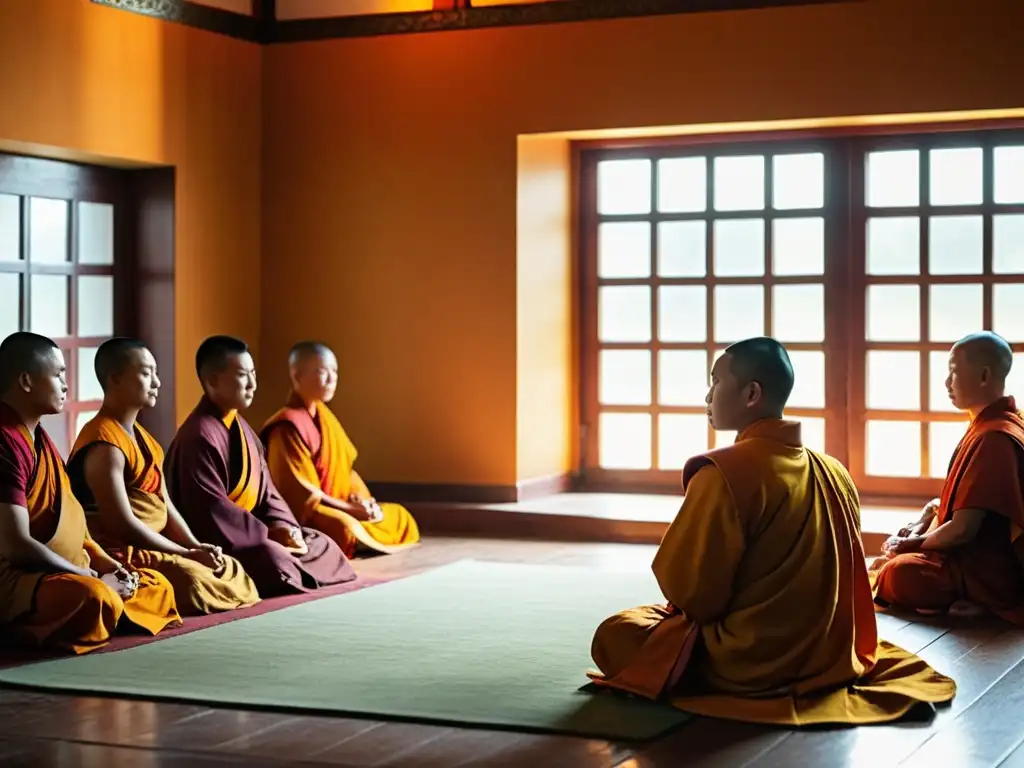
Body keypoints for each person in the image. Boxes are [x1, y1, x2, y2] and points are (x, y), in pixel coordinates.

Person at [589, 337, 955, 725]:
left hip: (749, 662)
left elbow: (692, 596)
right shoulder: (834, 470)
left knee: (616, 633)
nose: (708, 395)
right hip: (828, 653)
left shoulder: (725, 474)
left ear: (751, 394)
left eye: (716, 382)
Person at [0, 332, 180, 653]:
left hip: (68, 570)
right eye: (57, 375)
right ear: (26, 380)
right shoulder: (5, 443)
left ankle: (96, 611)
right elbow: (16, 547)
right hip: (20, 579)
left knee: (155, 584)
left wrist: (109, 564)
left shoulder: (42, 442)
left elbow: (77, 528)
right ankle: (24, 628)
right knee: (92, 596)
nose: (65, 385)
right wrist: (89, 574)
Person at [66, 338, 261, 616]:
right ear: (116, 379)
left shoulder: (146, 440)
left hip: (158, 548)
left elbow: (165, 507)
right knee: (193, 581)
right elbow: (121, 524)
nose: (157, 382)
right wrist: (184, 554)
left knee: (230, 567)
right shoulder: (104, 443)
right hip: (123, 555)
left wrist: (195, 545)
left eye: (156, 373)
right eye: (147, 373)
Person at [164, 335, 356, 596]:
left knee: (322, 543)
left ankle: (290, 561)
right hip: (223, 544)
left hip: (254, 534)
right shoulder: (198, 437)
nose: (253, 384)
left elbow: (269, 494)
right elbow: (209, 511)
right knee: (273, 558)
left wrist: (288, 528)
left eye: (253, 374)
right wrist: (267, 534)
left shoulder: (243, 431)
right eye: (243, 376)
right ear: (212, 381)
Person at [872, 332, 1024, 623]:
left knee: (898, 573)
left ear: (983, 376)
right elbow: (963, 502)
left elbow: (963, 530)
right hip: (968, 557)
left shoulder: (995, 436)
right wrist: (924, 519)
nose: (946, 382)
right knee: (897, 560)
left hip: (988, 573)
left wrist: (910, 546)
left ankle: (978, 600)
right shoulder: (992, 424)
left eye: (953, 372)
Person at [260, 341, 420, 558]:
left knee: (400, 516)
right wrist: (351, 511)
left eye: (334, 371)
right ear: (297, 376)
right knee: (343, 528)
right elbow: (301, 494)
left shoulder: (326, 419)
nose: (331, 378)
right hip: (310, 513)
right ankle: (356, 540)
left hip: (340, 503)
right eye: (322, 371)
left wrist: (363, 501)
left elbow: (346, 471)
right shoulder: (287, 426)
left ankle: (362, 539)